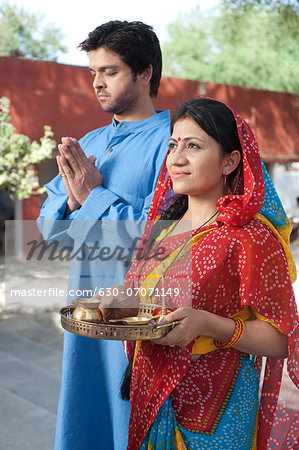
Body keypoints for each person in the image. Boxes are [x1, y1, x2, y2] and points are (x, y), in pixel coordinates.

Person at [123, 97, 299, 449]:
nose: (177, 158)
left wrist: (205, 323)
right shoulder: (162, 228)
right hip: (153, 396)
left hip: (219, 411)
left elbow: (282, 341)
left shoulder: (250, 237)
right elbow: (149, 298)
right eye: (173, 145)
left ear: (230, 161)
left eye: (193, 146)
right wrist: (117, 299)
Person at [37, 21, 171, 450]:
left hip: (143, 324)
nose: (96, 83)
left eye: (109, 71)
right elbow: (48, 233)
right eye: (92, 72)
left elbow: (162, 239)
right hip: (86, 318)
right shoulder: (90, 142)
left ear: (145, 73)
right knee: (86, 421)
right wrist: (75, 202)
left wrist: (93, 196)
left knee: (134, 424)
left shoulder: (175, 142)